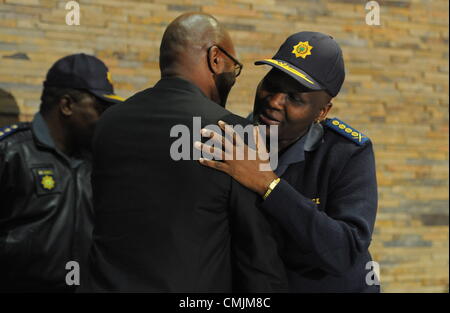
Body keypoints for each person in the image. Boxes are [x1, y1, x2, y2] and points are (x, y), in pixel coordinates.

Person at [83, 13, 287, 292]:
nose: (233, 77)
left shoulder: (109, 122)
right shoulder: (234, 134)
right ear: (215, 58)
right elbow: (257, 258)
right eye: (233, 67)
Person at [196, 32, 380, 292]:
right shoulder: (232, 141)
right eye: (271, 85)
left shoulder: (346, 153)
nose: (273, 102)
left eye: (294, 98)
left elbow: (345, 251)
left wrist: (268, 184)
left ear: (322, 112)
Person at [0, 53, 123, 292]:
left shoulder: (100, 160)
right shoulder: (11, 152)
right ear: (67, 105)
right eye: (99, 108)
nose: (105, 119)